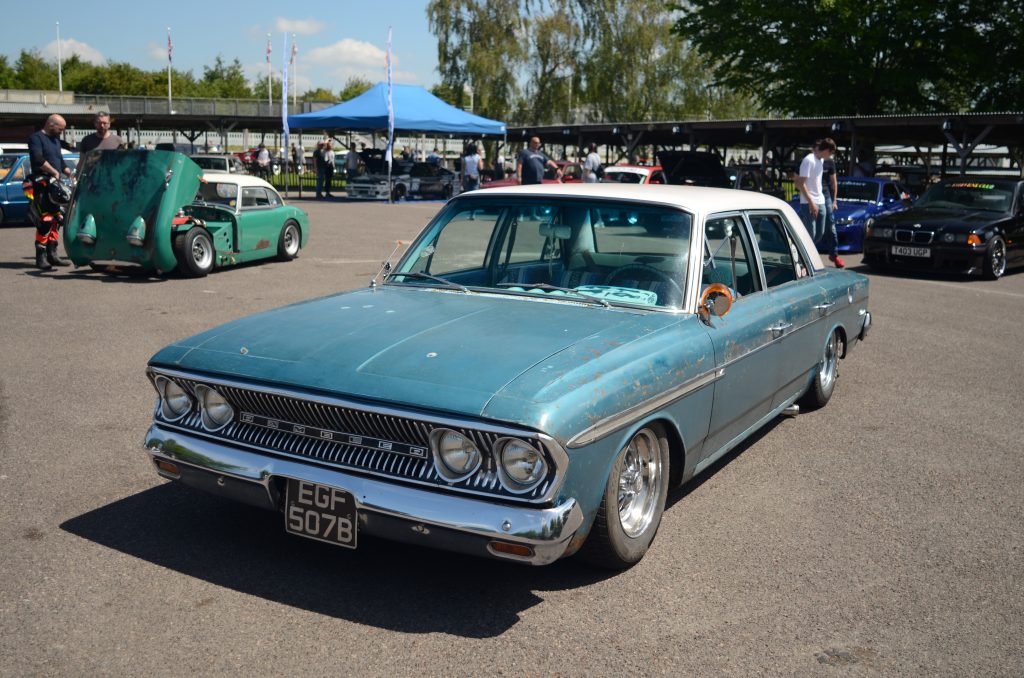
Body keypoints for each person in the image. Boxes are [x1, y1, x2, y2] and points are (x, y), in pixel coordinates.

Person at [26, 114, 73, 270]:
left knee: (56, 219)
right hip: (42, 184)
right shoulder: (36, 138)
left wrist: (69, 173)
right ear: (51, 124)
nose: (62, 131)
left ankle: (52, 254)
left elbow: (60, 160)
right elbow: (38, 159)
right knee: (45, 220)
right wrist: (54, 172)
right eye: (60, 128)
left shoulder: (56, 141)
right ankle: (41, 257)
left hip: (55, 185)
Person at [795, 138, 844, 268]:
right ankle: (802, 261)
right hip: (808, 201)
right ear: (827, 150)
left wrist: (829, 200)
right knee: (810, 233)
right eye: (831, 153)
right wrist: (811, 202)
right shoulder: (808, 160)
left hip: (821, 200)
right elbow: (800, 183)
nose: (831, 156)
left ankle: (804, 256)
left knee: (819, 234)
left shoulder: (821, 160)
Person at [821, 154, 841, 266]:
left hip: (826, 196)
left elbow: (834, 182)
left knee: (831, 227)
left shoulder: (829, 162)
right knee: (812, 228)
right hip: (813, 198)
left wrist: (834, 201)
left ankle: (834, 254)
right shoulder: (810, 161)